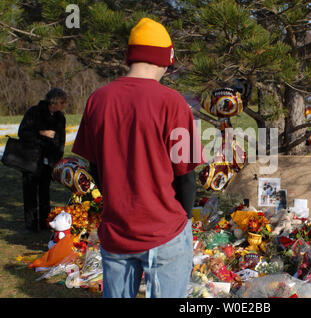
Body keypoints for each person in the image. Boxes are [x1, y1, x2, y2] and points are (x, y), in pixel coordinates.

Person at [72, 17, 204, 298]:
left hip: (117, 228)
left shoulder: (98, 99)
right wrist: (183, 219)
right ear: (164, 60)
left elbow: (95, 168)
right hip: (164, 230)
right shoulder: (172, 102)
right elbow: (186, 177)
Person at [18, 88, 67, 232]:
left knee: (45, 194)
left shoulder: (60, 118)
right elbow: (22, 132)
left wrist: (57, 159)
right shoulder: (33, 112)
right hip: (31, 160)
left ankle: (46, 223)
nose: (64, 105)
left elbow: (61, 140)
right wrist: (41, 133)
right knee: (30, 194)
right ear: (54, 101)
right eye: (62, 102)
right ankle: (31, 225)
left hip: (49, 162)